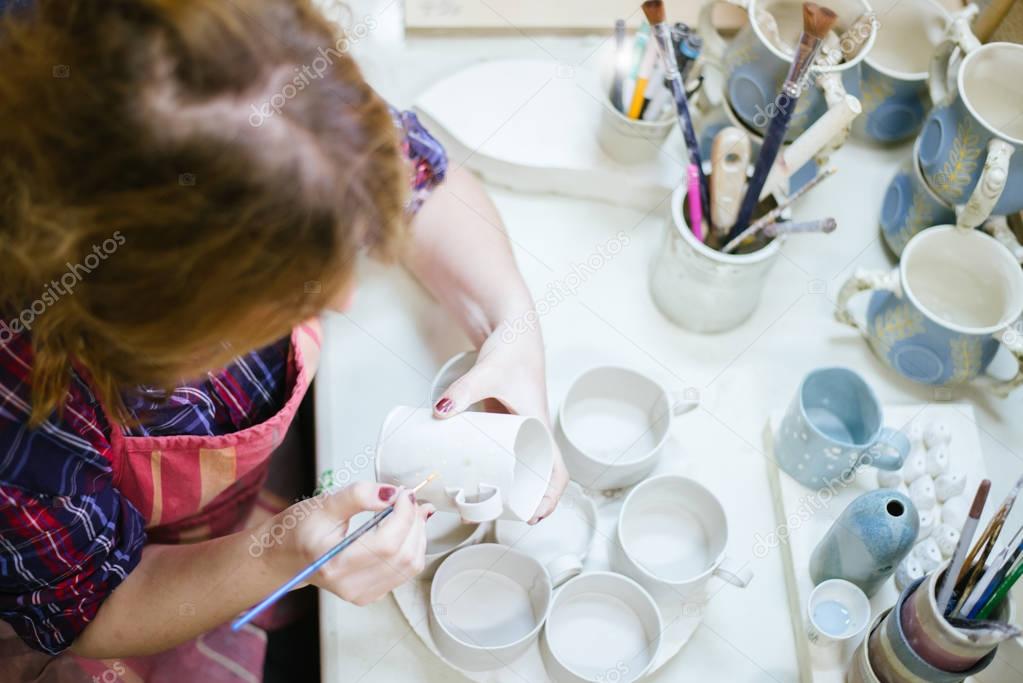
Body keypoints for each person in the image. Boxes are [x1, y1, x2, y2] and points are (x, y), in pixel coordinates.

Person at [0, 1, 568, 679]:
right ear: (154, 317)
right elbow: (93, 603)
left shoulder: (268, 104)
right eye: (294, 292)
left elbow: (420, 183)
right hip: (135, 575)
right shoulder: (24, 421)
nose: (341, 300)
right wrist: (282, 552)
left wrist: (511, 328)